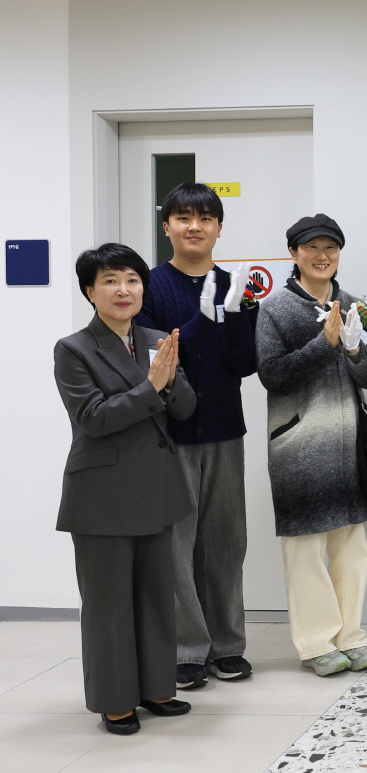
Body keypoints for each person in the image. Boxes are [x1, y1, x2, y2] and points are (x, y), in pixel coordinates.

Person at [54, 243, 196, 734]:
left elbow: (185, 408)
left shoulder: (158, 339)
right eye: (110, 280)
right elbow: (93, 419)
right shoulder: (74, 349)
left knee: (157, 596)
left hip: (156, 488)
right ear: (90, 291)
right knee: (109, 605)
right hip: (102, 495)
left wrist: (169, 380)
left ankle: (157, 687)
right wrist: (152, 385)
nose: (123, 289)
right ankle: (115, 699)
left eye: (132, 279)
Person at [133, 182, 258, 690]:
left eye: (206, 218)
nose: (195, 226)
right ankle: (188, 648)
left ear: (219, 228)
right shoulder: (148, 286)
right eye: (184, 217)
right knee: (176, 546)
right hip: (170, 433)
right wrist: (204, 321)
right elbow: (160, 357)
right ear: (167, 226)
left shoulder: (236, 285)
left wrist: (234, 316)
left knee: (226, 542)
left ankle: (228, 646)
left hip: (226, 429)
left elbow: (245, 363)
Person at [256, 214, 367, 676]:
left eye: (330, 248)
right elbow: (270, 373)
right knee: (305, 548)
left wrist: (353, 348)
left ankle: (350, 636)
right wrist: (323, 344)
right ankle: (315, 643)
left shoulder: (353, 305)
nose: (322, 256)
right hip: (299, 445)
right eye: (311, 248)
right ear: (294, 254)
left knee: (352, 546)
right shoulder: (275, 308)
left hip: (347, 443)